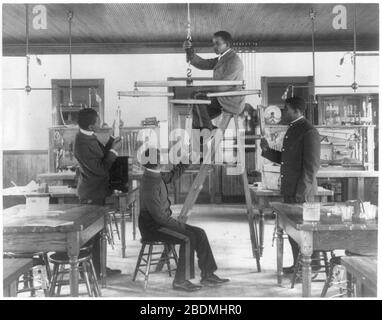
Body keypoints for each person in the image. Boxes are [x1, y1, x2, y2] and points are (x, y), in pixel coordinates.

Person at [138, 148, 229, 292]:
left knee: (200, 233)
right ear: (158, 162)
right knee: (188, 238)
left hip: (160, 222)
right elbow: (159, 217)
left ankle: (208, 274)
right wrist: (179, 225)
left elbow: (172, 176)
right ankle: (180, 281)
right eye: (161, 157)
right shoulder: (150, 183)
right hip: (152, 227)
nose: (164, 159)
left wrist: (187, 159)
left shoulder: (155, 174)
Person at [260, 97, 321, 274]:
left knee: (305, 232)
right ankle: (298, 265)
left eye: (286, 109)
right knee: (293, 231)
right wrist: (266, 150)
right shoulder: (293, 128)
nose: (283, 112)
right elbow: (286, 160)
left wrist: (300, 192)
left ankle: (311, 266)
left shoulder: (309, 131)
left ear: (296, 111)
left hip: (301, 193)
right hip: (291, 191)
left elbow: (311, 167)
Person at [74, 108, 122, 278]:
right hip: (91, 193)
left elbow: (101, 153)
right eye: (98, 121)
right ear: (91, 125)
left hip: (96, 191)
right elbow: (101, 169)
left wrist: (113, 140)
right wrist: (114, 152)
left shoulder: (87, 135)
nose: (100, 123)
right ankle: (88, 270)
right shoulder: (81, 143)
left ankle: (100, 268)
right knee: (91, 235)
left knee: (99, 233)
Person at [183, 30, 245, 130]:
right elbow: (204, 63)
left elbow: (222, 87)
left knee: (196, 96)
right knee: (196, 116)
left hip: (229, 101)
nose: (214, 46)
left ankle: (208, 129)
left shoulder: (234, 61)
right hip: (221, 98)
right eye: (213, 44)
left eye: (217, 44)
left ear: (227, 44)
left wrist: (202, 89)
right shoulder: (223, 58)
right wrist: (189, 51)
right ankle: (200, 141)